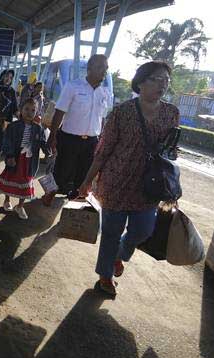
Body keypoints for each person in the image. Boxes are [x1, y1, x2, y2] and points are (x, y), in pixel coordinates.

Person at [78, 61, 179, 295]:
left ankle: (120, 254)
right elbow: (103, 150)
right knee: (111, 232)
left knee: (143, 230)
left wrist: (171, 183)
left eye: (166, 80)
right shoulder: (122, 112)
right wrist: (87, 181)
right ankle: (105, 276)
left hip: (149, 186)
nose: (162, 84)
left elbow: (172, 151)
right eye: (157, 79)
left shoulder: (171, 113)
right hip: (116, 182)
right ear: (141, 82)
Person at [43, 54, 111, 205]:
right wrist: (52, 136)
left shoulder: (104, 93)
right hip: (69, 138)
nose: (103, 71)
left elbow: (103, 119)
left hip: (92, 141)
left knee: (84, 173)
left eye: (105, 68)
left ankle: (75, 199)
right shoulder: (73, 86)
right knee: (61, 171)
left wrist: (102, 140)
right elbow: (60, 111)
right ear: (89, 69)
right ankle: (50, 193)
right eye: (100, 67)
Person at [0, 98, 48, 220]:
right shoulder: (13, 126)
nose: (29, 112)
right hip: (15, 158)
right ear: (20, 110)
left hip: (29, 160)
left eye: (33, 110)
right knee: (11, 178)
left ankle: (20, 205)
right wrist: (10, 155)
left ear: (37, 112)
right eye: (27, 109)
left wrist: (48, 151)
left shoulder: (38, 128)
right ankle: (7, 200)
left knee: (26, 182)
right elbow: (7, 142)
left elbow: (42, 142)